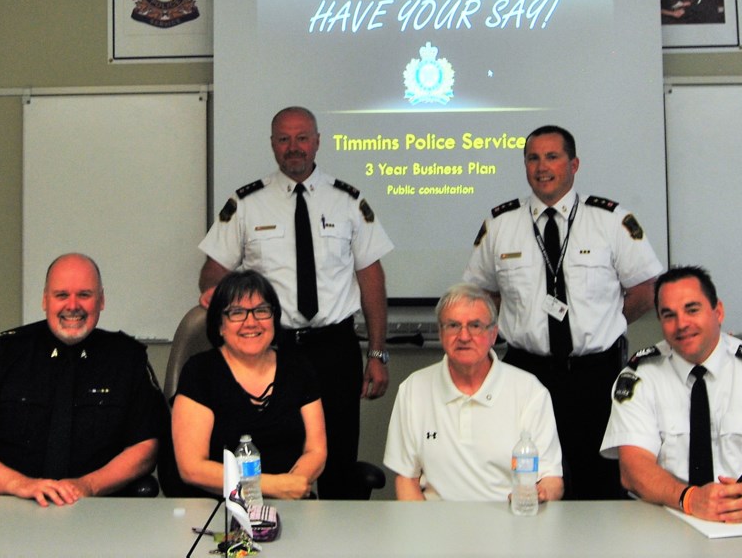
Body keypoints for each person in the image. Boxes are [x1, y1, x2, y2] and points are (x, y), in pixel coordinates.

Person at [197, 106, 394, 499]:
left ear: (318, 141)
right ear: (272, 144)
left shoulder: (348, 201)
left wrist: (377, 352)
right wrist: (221, 305)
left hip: (334, 348)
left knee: (338, 457)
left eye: (302, 137)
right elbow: (211, 274)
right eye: (284, 139)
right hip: (272, 350)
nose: (294, 147)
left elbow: (371, 279)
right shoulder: (246, 203)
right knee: (272, 452)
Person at [463, 124, 663, 500]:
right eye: (533, 158)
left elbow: (644, 290)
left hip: (595, 372)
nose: (542, 167)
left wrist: (605, 322)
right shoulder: (500, 224)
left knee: (600, 483)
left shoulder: (610, 220)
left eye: (552, 157)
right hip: (526, 371)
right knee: (527, 477)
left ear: (574, 164)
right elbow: (483, 294)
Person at [600, 266, 742, 521]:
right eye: (669, 315)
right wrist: (689, 499)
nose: (682, 324)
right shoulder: (640, 376)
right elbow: (633, 469)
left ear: (718, 311)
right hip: (668, 516)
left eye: (692, 310)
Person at [0, 253, 169, 507]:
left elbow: (145, 448)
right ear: (45, 300)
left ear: (101, 300)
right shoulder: (0, 353)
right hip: (4, 507)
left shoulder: (127, 358)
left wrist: (88, 486)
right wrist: (20, 485)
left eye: (84, 295)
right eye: (61, 295)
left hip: (97, 512)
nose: (72, 306)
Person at [384, 283, 563, 502]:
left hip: (509, 524)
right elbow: (406, 479)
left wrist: (540, 494)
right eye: (453, 325)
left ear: (493, 334)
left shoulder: (529, 391)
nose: (464, 336)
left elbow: (551, 480)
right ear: (440, 333)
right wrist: (423, 531)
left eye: (475, 326)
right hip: (435, 526)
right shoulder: (413, 389)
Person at [172, 270, 326, 499]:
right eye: (237, 313)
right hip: (218, 510)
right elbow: (192, 468)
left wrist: (293, 486)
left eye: (261, 311)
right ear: (220, 325)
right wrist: (271, 486)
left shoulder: (298, 368)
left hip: (291, 504)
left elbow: (316, 449)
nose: (251, 322)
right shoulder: (199, 372)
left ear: (274, 318)